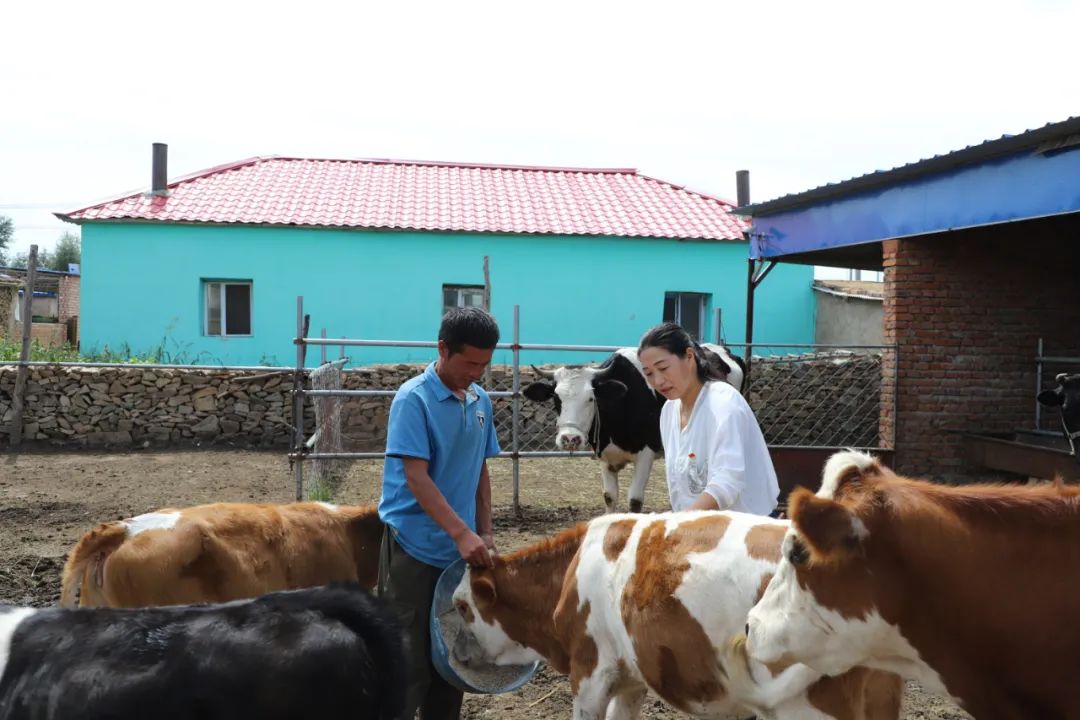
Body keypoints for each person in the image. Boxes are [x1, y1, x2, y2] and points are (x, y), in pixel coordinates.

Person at [377, 307, 502, 720]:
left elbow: (479, 468)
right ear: (443, 349)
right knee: (407, 659)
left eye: (484, 365)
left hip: (457, 553)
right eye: (469, 363)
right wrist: (461, 534)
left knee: (453, 656)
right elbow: (417, 478)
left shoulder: (480, 400)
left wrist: (484, 531)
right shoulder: (414, 400)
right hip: (413, 549)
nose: (476, 373)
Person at [637, 322, 780, 516]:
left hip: (746, 531)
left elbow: (727, 482)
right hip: (698, 530)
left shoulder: (723, 403)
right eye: (649, 374)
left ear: (689, 357)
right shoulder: (669, 411)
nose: (658, 381)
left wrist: (677, 522)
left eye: (663, 368)